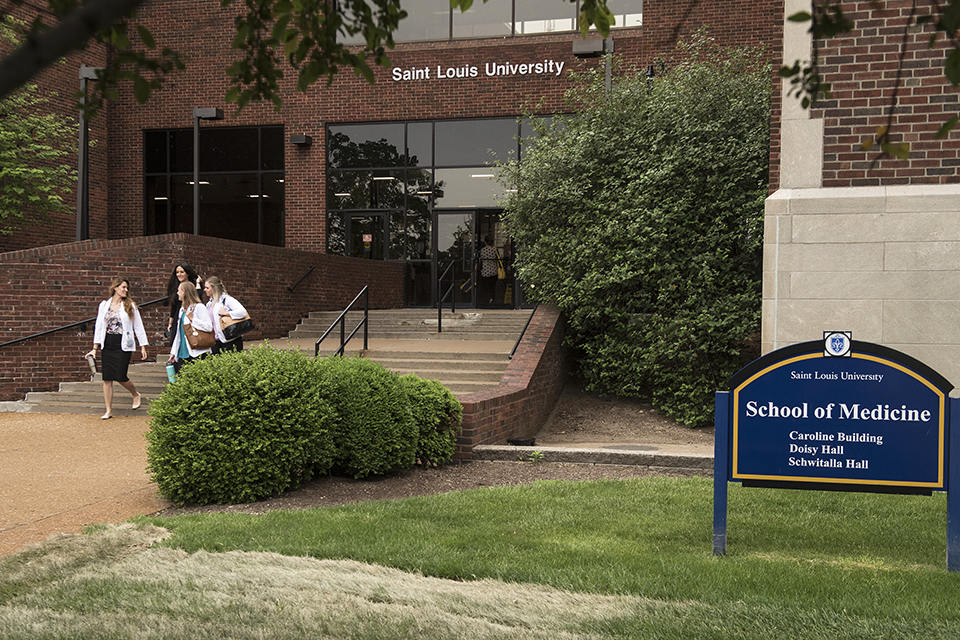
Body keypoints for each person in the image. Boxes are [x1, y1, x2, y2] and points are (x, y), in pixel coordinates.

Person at [85, 278, 149, 420]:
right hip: (108, 343)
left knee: (120, 376)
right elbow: (99, 326)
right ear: (115, 288)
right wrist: (94, 348)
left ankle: (135, 394)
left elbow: (138, 326)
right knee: (107, 378)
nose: (126, 290)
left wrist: (143, 346)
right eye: (123, 287)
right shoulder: (104, 305)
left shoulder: (130, 305)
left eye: (127, 288)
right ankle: (108, 410)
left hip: (123, 343)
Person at [167, 281, 214, 373]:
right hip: (182, 353)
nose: (177, 293)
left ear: (184, 292)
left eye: (178, 290)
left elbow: (208, 327)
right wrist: (173, 352)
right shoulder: (182, 310)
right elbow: (179, 333)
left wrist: (192, 319)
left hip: (197, 352)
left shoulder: (199, 307)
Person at [204, 276, 249, 354]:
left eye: (207, 288)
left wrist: (226, 313)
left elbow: (242, 312)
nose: (205, 290)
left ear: (214, 288)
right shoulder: (209, 304)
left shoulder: (227, 300)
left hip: (230, 340)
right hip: (215, 341)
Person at [165, 263, 202, 341]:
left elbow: (197, 298)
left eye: (182, 272)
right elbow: (173, 307)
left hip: (189, 316)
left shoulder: (192, 286)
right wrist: (170, 323)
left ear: (187, 273)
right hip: (178, 317)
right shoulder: (175, 288)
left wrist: (198, 283)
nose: (179, 274)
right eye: (177, 272)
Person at [477, 235, 499, 307]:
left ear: (485, 242)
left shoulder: (483, 250)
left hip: (485, 270)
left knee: (486, 287)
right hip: (494, 269)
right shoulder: (495, 249)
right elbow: (498, 258)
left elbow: (480, 259)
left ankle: (488, 298)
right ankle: (493, 298)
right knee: (493, 286)